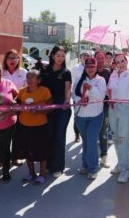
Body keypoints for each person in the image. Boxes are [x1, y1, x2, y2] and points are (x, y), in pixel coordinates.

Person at [107, 42, 129, 183]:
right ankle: (120, 163)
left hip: (126, 109)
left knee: (123, 139)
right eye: (118, 62)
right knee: (115, 138)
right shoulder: (113, 75)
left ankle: (125, 170)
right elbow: (109, 90)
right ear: (114, 64)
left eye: (122, 61)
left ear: (126, 61)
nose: (120, 64)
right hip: (113, 108)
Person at [15, 70, 53, 184]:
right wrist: (14, 103)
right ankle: (31, 173)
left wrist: (38, 112)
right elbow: (16, 103)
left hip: (40, 126)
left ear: (39, 80)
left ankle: (42, 174)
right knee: (27, 151)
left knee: (42, 151)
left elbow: (50, 107)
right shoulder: (22, 91)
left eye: (32, 77)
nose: (29, 80)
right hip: (24, 126)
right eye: (28, 77)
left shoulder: (44, 91)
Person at [41, 45, 72, 177]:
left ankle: (58, 167)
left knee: (59, 137)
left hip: (61, 108)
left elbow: (67, 88)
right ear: (53, 56)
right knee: (49, 136)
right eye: (58, 55)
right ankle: (48, 165)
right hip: (47, 107)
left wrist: (66, 101)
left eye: (63, 56)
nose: (60, 58)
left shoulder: (66, 72)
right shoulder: (44, 70)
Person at [73, 57, 106, 180]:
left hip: (96, 116)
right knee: (86, 141)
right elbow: (74, 95)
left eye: (93, 66)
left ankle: (93, 168)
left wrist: (91, 88)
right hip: (81, 116)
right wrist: (80, 100)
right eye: (88, 67)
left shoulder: (101, 80)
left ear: (96, 67)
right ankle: (85, 165)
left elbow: (101, 97)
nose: (90, 69)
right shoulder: (79, 79)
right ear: (85, 68)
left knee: (91, 141)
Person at [95, 51, 113, 167]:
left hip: (105, 106)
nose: (100, 60)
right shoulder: (90, 71)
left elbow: (111, 88)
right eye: (98, 58)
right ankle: (91, 160)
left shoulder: (108, 72)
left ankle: (104, 157)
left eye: (102, 58)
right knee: (93, 134)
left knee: (103, 132)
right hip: (92, 107)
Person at [70, 51, 92, 143]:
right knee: (77, 117)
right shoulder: (75, 68)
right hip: (77, 97)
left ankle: (85, 135)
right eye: (84, 55)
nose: (86, 57)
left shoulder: (92, 67)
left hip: (89, 97)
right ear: (81, 57)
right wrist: (73, 96)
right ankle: (77, 134)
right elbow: (71, 83)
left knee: (87, 116)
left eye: (88, 56)